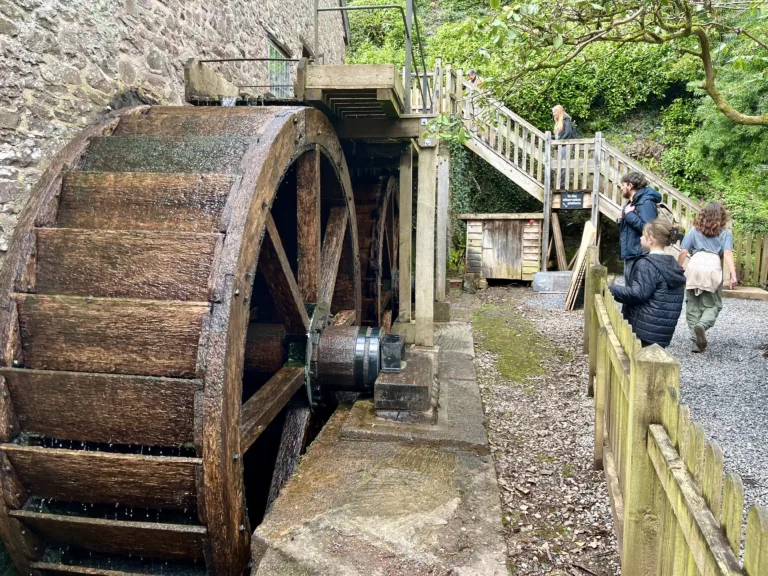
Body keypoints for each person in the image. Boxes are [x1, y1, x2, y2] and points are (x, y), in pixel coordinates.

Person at [609, 219, 686, 348]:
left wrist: (611, 289)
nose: (640, 238)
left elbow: (637, 294)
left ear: (651, 239)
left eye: (643, 235)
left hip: (644, 330)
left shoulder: (647, 263)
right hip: (662, 332)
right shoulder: (673, 264)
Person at [677, 202, 737, 352]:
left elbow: (683, 251)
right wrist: (733, 275)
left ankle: (696, 338)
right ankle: (702, 325)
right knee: (713, 304)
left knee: (692, 305)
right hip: (712, 267)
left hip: (695, 265)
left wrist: (677, 269)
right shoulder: (725, 233)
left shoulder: (693, 231)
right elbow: (728, 253)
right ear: (722, 217)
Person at [618, 171, 661, 286]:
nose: (621, 188)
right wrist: (622, 219)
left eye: (623, 185)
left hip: (640, 255)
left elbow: (649, 229)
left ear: (630, 185)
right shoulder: (633, 203)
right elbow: (630, 228)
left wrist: (629, 215)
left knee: (635, 292)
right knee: (630, 292)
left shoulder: (645, 202)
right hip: (632, 254)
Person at [552, 105, 577, 188]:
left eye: (555, 112)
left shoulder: (566, 120)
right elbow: (560, 135)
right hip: (562, 145)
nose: (553, 114)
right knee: (561, 164)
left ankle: (563, 185)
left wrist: (559, 142)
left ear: (559, 111)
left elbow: (568, 133)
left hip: (566, 145)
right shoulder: (559, 122)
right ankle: (562, 183)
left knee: (563, 164)